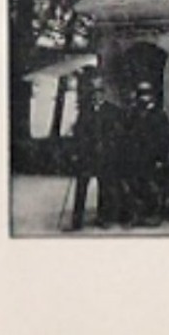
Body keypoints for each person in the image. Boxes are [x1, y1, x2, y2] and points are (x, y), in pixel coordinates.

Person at [67, 71, 123, 231]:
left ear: (104, 94)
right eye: (94, 92)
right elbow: (79, 133)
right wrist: (76, 152)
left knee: (105, 187)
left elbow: (117, 134)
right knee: (81, 187)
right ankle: (76, 222)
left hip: (105, 156)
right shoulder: (85, 111)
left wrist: (109, 148)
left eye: (99, 92)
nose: (96, 96)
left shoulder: (113, 111)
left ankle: (103, 218)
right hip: (87, 155)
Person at [125, 81, 169, 226]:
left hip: (152, 158)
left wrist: (161, 158)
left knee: (152, 187)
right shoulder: (134, 113)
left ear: (152, 96)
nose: (144, 98)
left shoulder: (159, 115)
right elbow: (127, 133)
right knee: (135, 187)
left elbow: (164, 138)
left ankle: (154, 215)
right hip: (136, 157)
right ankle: (138, 215)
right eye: (141, 94)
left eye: (146, 94)